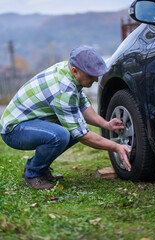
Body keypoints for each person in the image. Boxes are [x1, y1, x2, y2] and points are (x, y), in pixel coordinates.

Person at [0, 45, 131, 190]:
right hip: (14, 129)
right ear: (75, 71)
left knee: (72, 130)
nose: (96, 79)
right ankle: (33, 173)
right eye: (91, 74)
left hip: (30, 122)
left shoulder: (69, 71)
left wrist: (107, 125)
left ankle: (40, 170)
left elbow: (83, 108)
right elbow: (83, 136)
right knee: (61, 135)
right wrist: (116, 147)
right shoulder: (64, 89)